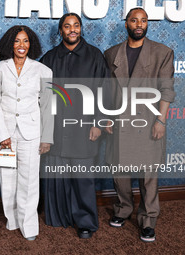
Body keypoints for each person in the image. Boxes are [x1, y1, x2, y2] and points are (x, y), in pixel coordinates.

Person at [104, 8, 175, 242]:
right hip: (120, 121)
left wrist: (161, 120)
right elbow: (106, 92)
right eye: (134, 20)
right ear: (126, 24)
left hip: (148, 122)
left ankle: (148, 220)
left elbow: (167, 90)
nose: (139, 24)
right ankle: (123, 210)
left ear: (147, 24)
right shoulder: (111, 53)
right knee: (120, 173)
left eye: (143, 20)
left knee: (148, 177)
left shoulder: (162, 53)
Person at [40, 13, 109, 239]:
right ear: (60, 31)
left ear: (81, 29)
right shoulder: (49, 58)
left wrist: (98, 123)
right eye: (67, 26)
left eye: (76, 26)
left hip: (84, 127)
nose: (72, 30)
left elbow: (104, 91)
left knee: (82, 178)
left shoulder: (95, 56)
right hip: (57, 128)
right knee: (57, 174)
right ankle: (58, 217)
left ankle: (85, 222)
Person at [0, 25, 53, 241]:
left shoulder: (43, 71)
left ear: (31, 44)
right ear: (9, 44)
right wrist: (1, 134)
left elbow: (48, 106)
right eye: (16, 41)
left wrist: (46, 137)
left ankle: (29, 225)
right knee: (7, 178)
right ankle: (12, 220)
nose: (21, 45)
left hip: (31, 133)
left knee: (30, 180)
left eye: (25, 41)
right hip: (5, 134)